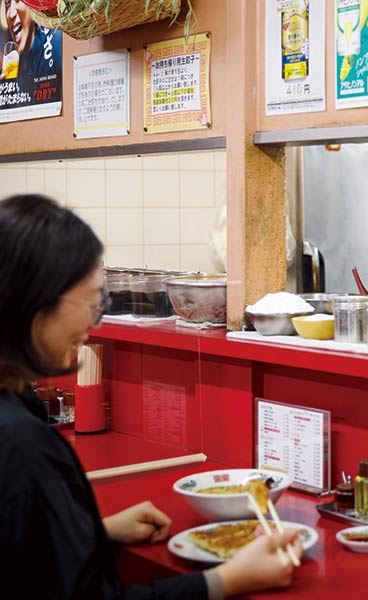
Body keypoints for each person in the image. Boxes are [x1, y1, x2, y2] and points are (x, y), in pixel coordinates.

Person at [0, 194, 303, 598]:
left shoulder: (15, 405)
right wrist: (228, 580)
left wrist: (94, 531)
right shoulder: (20, 443)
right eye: (92, 301)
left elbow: (20, 553)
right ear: (37, 301)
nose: (94, 322)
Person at [1, 0, 62, 79]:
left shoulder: (55, 43)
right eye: (8, 4)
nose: (11, 15)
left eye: (18, 1)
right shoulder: (12, 60)